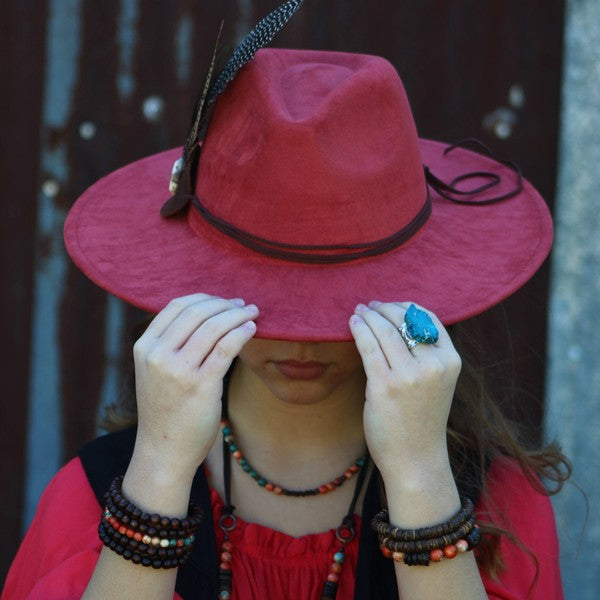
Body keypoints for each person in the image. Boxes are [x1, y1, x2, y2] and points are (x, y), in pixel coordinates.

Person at [3, 4, 569, 599]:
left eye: (336, 305)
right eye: (265, 297)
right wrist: (158, 476)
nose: (300, 339)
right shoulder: (91, 496)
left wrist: (422, 480)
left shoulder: (501, 510)